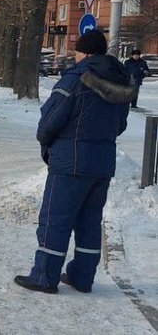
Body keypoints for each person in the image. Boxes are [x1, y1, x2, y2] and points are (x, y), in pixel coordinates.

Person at [14, 30, 134, 294]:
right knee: (90, 222)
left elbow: (50, 119)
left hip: (70, 163)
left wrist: (46, 143)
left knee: (55, 220)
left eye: (78, 51)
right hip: (102, 165)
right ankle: (82, 277)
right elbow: (120, 125)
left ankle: (44, 277)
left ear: (86, 52)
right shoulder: (122, 79)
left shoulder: (76, 78)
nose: (76, 56)